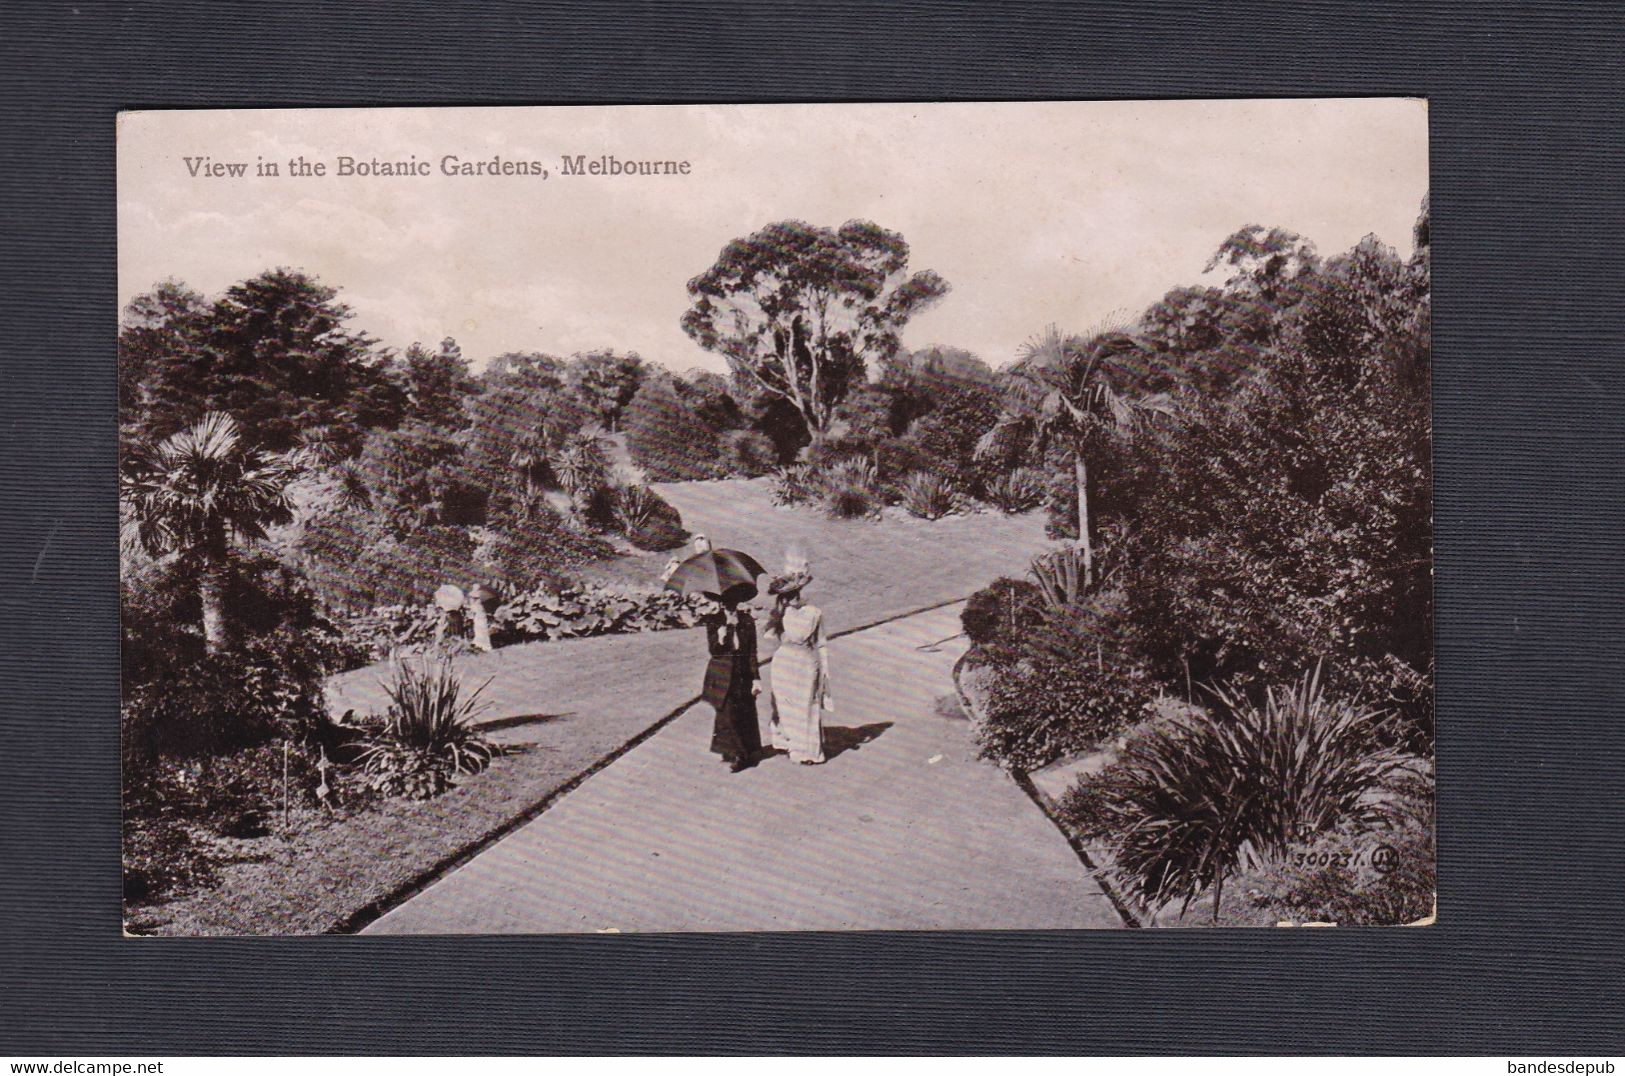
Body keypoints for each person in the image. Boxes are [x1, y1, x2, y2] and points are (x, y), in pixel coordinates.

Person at [765, 568, 830, 765]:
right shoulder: (780, 615)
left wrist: (825, 671)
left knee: (804, 704)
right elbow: (769, 637)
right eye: (787, 596)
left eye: (793, 594)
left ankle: (807, 750)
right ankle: (790, 742)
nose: (791, 599)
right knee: (786, 703)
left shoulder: (813, 613)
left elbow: (821, 641)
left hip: (804, 661)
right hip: (786, 661)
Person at [701, 598, 763, 772]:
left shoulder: (746, 620)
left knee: (744, 712)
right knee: (727, 713)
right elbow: (713, 651)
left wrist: (756, 678)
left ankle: (745, 751)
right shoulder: (714, 620)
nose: (728, 605)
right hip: (722, 674)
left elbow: (752, 651)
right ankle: (739, 755)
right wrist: (720, 638)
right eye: (725, 601)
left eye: (732, 600)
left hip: (742, 674)